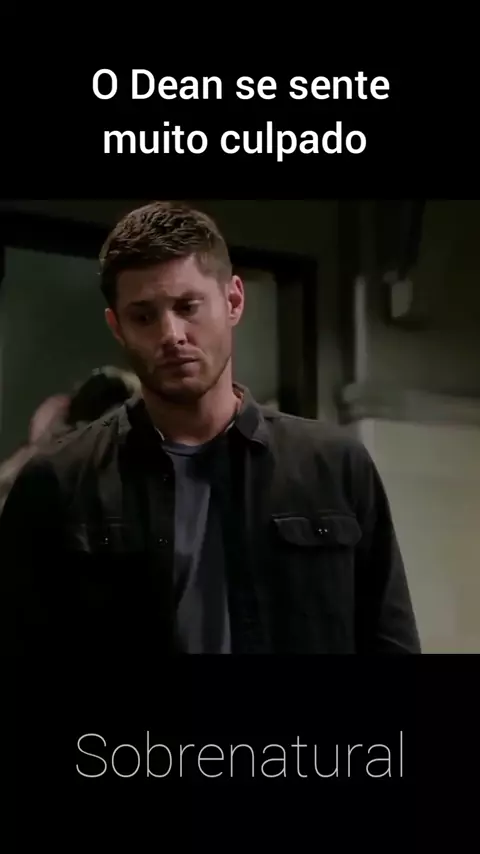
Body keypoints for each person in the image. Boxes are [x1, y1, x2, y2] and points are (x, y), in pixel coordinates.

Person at [0, 201, 421, 658]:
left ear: (233, 301)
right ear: (117, 327)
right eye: (144, 316)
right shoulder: (57, 483)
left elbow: (390, 642)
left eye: (188, 306)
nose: (171, 334)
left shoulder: (335, 466)